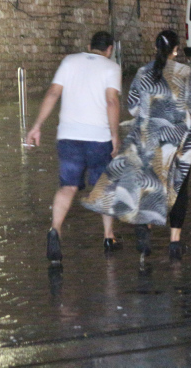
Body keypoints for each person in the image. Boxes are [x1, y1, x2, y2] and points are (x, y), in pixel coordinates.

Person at [82, 30, 191, 260]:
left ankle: (145, 228)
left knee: (150, 186)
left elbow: (134, 107)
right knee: (179, 189)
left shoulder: (143, 72)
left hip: (149, 139)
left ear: (156, 48)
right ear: (176, 50)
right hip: (179, 140)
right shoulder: (184, 72)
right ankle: (175, 242)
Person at [26, 31, 122, 263]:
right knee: (103, 187)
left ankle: (55, 229)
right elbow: (111, 101)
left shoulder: (69, 61)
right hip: (98, 138)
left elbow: (53, 93)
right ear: (110, 49)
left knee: (67, 186)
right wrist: (115, 134)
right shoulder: (111, 67)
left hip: (68, 137)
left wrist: (37, 126)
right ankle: (108, 236)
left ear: (89, 46)